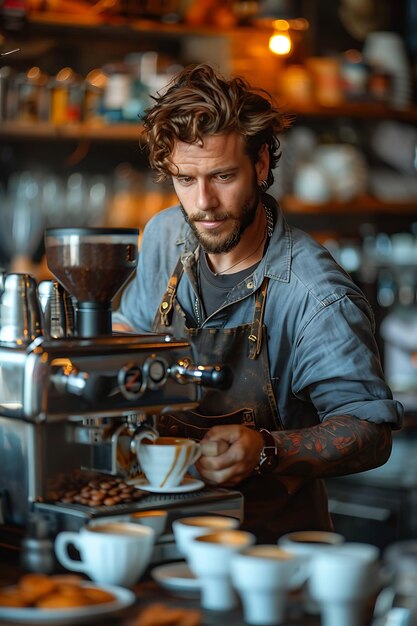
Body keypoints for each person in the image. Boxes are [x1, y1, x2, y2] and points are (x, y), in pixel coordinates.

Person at [115, 63, 403, 542]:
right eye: (184, 180)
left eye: (222, 176)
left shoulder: (315, 293)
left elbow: (369, 432)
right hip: (157, 532)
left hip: (267, 549)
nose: (202, 203)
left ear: (262, 164)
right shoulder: (166, 235)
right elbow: (132, 327)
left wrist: (268, 449)